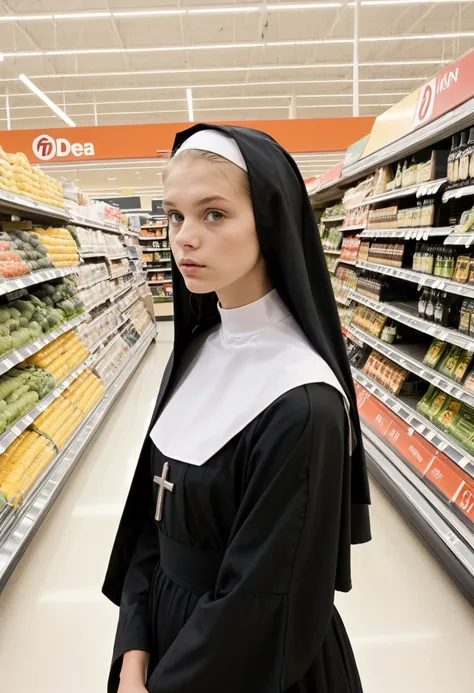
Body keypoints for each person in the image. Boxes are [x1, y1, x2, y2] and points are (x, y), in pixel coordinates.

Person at [102, 124, 371, 693]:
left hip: (242, 664)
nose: (184, 239)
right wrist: (132, 651)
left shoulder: (303, 401)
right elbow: (153, 521)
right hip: (160, 644)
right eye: (175, 216)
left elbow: (263, 602)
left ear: (269, 224)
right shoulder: (198, 350)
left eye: (214, 214)